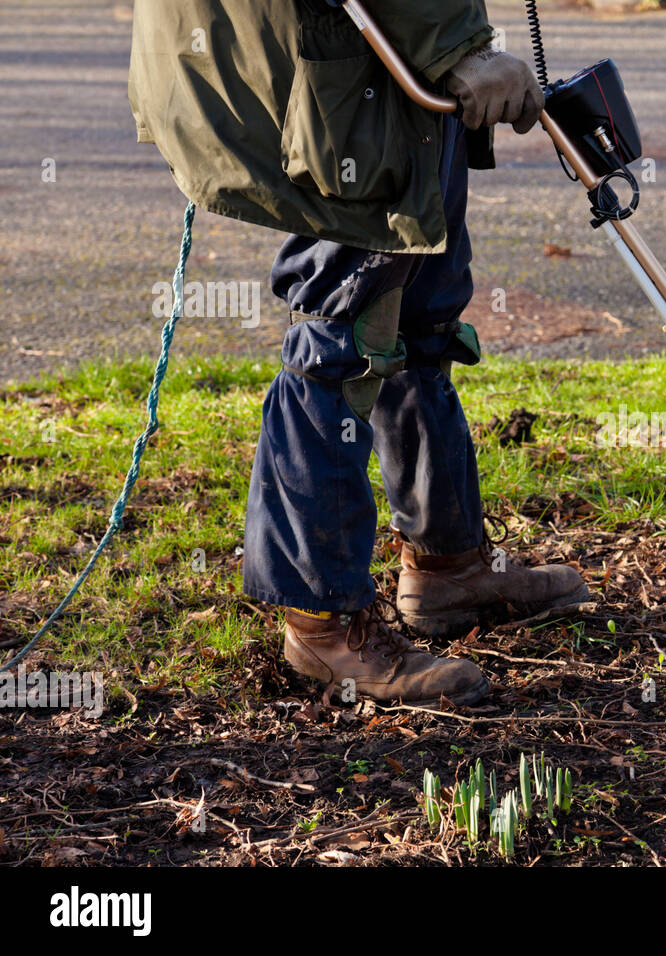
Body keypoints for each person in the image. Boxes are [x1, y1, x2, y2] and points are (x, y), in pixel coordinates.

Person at [127, 0, 589, 707]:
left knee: (421, 306)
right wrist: (454, 45)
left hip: (374, 52)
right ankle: (322, 621)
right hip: (336, 62)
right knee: (343, 330)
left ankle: (447, 565)